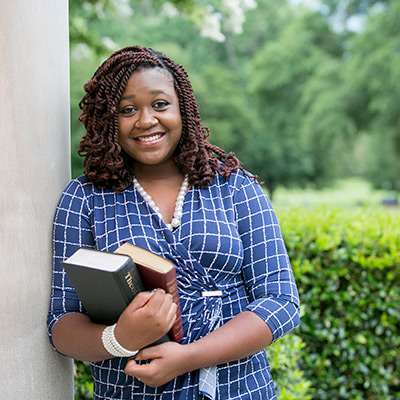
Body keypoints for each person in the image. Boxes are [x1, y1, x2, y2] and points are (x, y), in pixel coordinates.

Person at [47, 45, 300, 400]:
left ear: (183, 109)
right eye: (127, 109)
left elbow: (281, 301)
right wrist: (119, 338)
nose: (146, 120)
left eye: (160, 104)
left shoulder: (235, 188)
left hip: (240, 390)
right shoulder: (85, 199)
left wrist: (187, 358)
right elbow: (62, 323)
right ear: (106, 120)